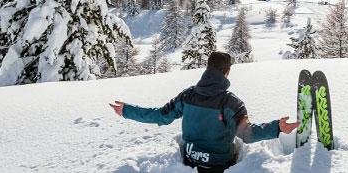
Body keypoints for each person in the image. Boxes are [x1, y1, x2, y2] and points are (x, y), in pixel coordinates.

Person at [110, 52, 300, 172]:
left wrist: (128, 110)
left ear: (207, 68)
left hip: (190, 159)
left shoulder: (188, 95)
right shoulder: (232, 103)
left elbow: (161, 115)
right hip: (221, 165)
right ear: (227, 72)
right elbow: (247, 134)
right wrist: (277, 127)